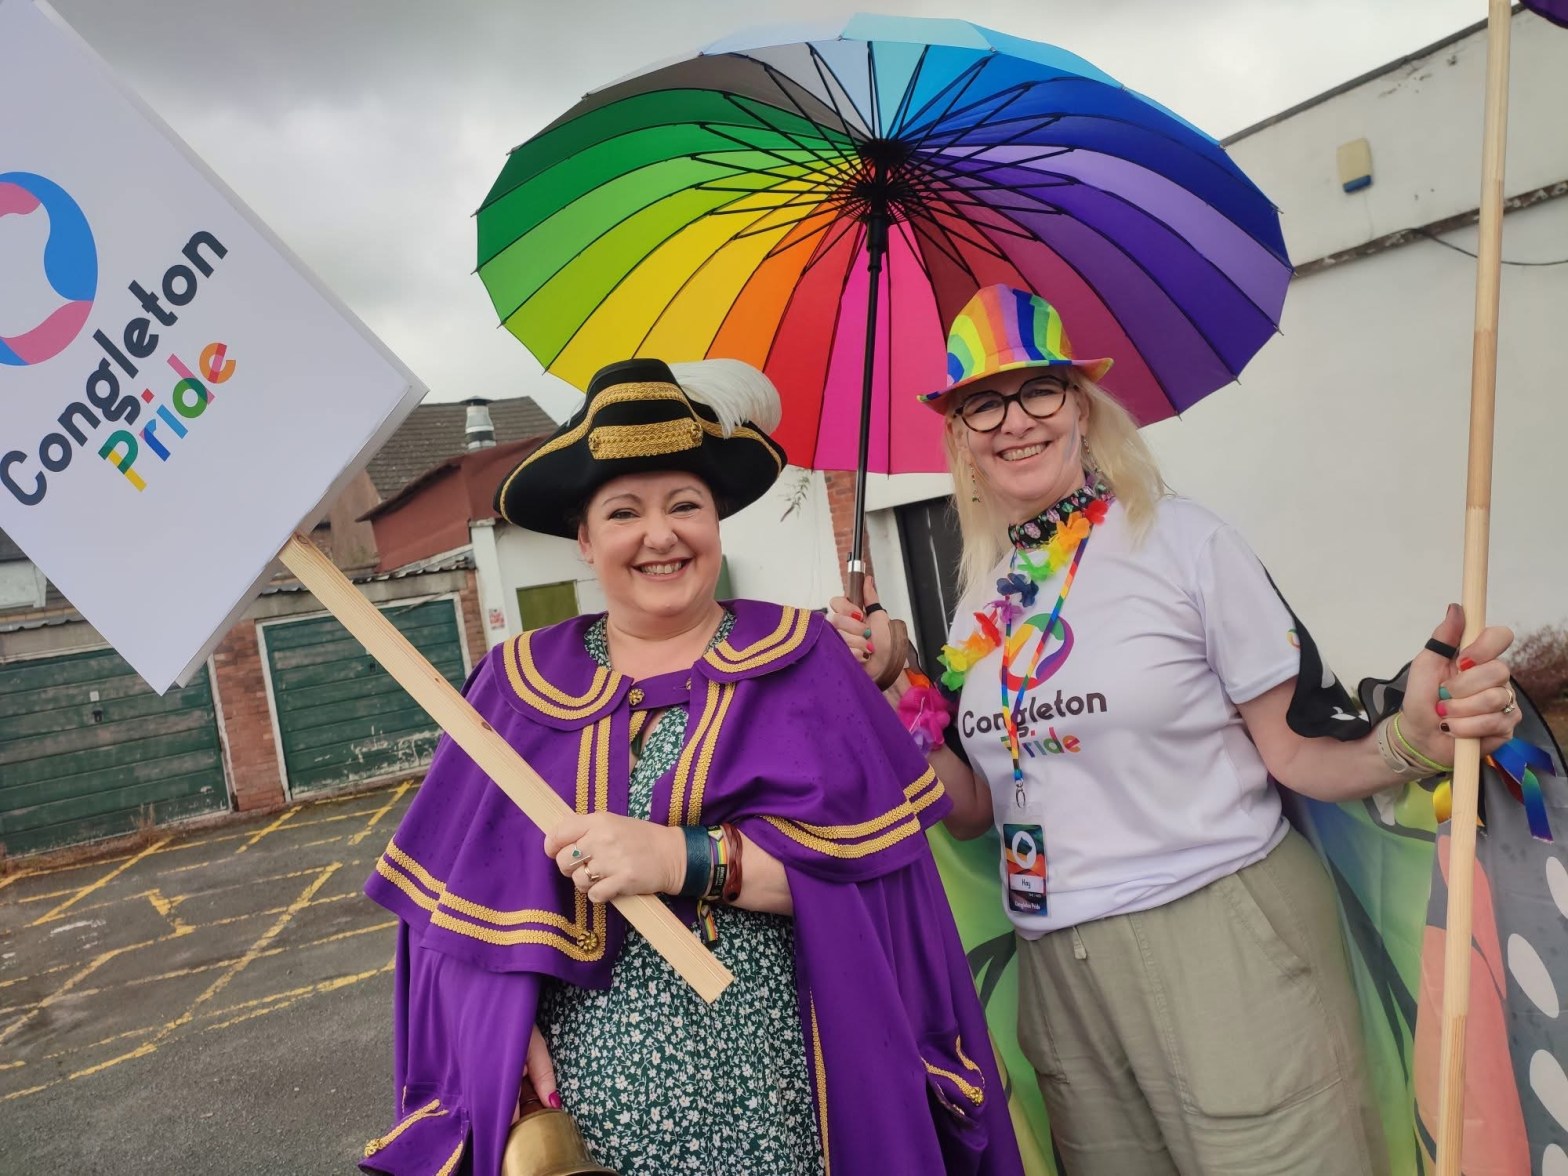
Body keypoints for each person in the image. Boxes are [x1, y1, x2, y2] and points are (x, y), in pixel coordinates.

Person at [828, 285, 1523, 1176]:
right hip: (1061, 970)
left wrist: (1413, 741)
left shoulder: (1185, 544)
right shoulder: (982, 605)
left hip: (1220, 933)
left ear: (1081, 405)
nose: (1015, 421)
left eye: (1038, 389)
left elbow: (1295, 753)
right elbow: (971, 813)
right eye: (983, 404)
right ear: (961, 436)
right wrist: (896, 688)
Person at [359, 358, 1024, 1176]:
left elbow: (881, 891)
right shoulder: (514, 686)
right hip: (588, 1128)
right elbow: (449, 921)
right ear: (585, 539)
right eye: (623, 512)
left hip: (788, 1105)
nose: (661, 534)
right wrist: (494, 1024)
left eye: (685, 505)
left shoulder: (806, 661)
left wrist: (682, 858)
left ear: (717, 520)